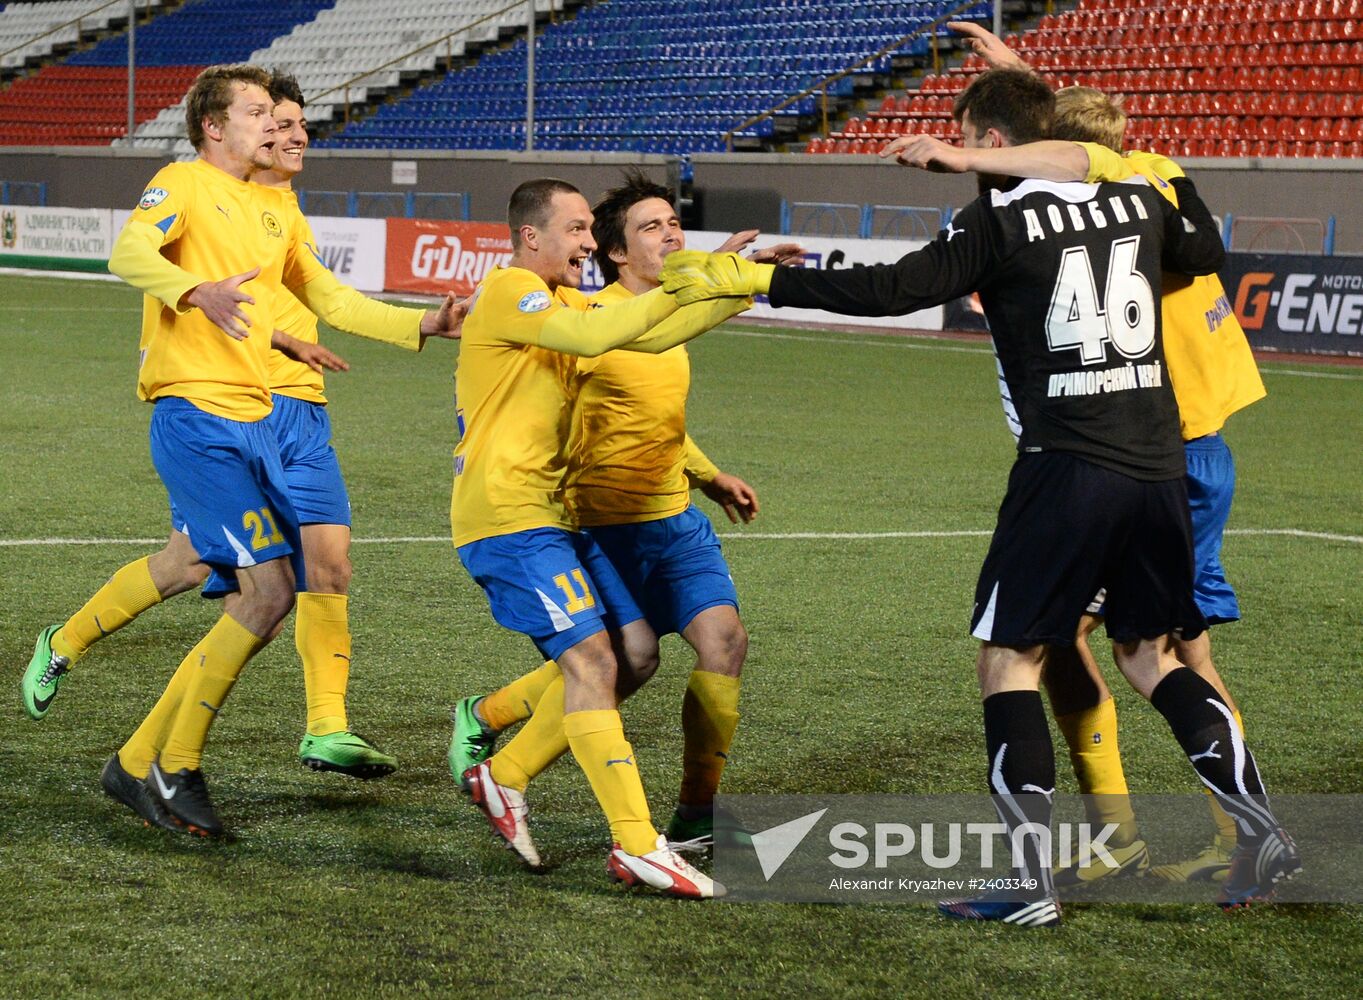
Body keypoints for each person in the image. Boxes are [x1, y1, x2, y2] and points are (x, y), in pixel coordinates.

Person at [660, 68, 1299, 923]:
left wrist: (752, 282)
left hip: (1066, 468)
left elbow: (888, 291)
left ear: (990, 142)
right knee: (1150, 656)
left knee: (1008, 660)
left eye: (966, 140)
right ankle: (1260, 830)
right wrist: (1140, 169)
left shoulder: (995, 221)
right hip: (1156, 466)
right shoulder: (1140, 201)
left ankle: (1028, 885)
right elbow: (1201, 249)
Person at [891, 24, 1269, 886]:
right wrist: (1020, 76)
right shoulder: (1149, 179)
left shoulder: (1115, 201)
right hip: (1167, 450)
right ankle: (1182, 835)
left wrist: (975, 145)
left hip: (1141, 449)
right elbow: (1083, 143)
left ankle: (1209, 837)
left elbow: (1071, 157)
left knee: (1107, 649)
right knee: (1118, 648)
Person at [68, 63, 460, 837]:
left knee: (268, 591)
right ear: (215, 127)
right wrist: (193, 292)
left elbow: (330, 297)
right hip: (194, 419)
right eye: (257, 113)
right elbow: (126, 253)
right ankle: (167, 762)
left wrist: (417, 325)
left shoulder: (273, 208)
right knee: (258, 588)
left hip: (254, 413)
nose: (276, 126)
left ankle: (148, 761)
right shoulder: (180, 181)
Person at [449, 171, 798, 853]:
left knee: (716, 643)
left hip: (671, 517)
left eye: (674, 224)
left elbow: (654, 413)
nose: (669, 234)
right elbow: (600, 361)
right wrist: (718, 276)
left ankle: (690, 817)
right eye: (650, 226)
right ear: (615, 251)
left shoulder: (616, 319)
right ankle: (509, 749)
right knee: (620, 660)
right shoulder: (573, 316)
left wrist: (741, 283)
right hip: (591, 519)